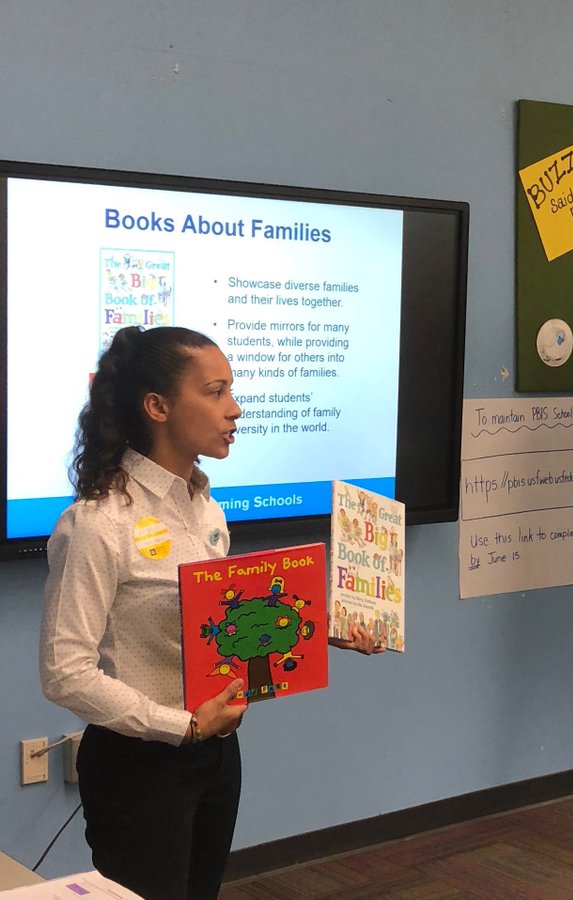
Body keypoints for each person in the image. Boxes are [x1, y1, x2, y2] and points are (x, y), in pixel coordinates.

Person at [39, 326, 381, 900]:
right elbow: (64, 672)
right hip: (139, 764)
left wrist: (320, 629)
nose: (235, 409)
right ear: (158, 406)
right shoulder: (97, 524)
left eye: (231, 391)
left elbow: (217, 629)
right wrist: (185, 727)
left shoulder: (206, 509)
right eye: (216, 392)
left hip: (218, 753)